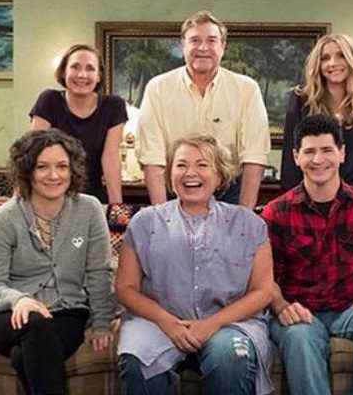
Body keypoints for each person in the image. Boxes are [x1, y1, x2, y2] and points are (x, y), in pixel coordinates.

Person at [116, 134, 275, 395]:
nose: (190, 173)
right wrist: (167, 321)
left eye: (202, 165)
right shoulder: (144, 222)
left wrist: (211, 324)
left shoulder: (249, 224)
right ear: (170, 174)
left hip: (229, 324)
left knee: (230, 357)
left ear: (220, 175)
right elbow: (125, 288)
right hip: (159, 322)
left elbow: (263, 291)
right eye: (181, 165)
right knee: (137, 362)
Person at [262, 114, 353, 395]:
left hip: (352, 309)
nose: (318, 159)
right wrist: (280, 305)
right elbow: (263, 278)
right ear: (296, 157)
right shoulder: (276, 213)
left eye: (327, 150)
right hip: (299, 311)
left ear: (342, 153)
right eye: (309, 151)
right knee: (299, 338)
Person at [0, 129, 116, 395]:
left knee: (24, 354)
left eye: (62, 166)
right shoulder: (6, 217)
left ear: (72, 170)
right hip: (7, 316)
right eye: (42, 167)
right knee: (34, 322)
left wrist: (101, 323)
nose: (54, 175)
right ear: (27, 170)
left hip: (66, 313)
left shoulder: (89, 210)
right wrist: (19, 300)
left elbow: (99, 272)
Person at [136, 10, 270, 208]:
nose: (203, 48)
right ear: (183, 45)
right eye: (195, 40)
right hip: (174, 191)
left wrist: (244, 216)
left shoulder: (246, 89)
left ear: (223, 46)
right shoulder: (157, 88)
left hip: (228, 192)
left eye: (212, 40)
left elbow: (254, 156)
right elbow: (152, 157)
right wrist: (163, 215)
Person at [280, 34, 353, 196]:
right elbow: (290, 154)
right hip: (312, 196)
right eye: (325, 58)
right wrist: (292, 198)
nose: (332, 63)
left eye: (341, 56)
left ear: (352, 60)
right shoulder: (301, 100)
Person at [29, 44, 127, 205]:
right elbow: (31, 152)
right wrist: (19, 199)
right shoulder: (49, 100)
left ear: (99, 76)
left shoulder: (113, 106)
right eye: (75, 67)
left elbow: (110, 157)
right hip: (49, 195)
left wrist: (116, 206)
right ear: (63, 72)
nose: (82, 75)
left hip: (92, 198)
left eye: (90, 68)